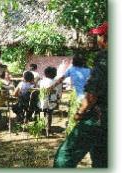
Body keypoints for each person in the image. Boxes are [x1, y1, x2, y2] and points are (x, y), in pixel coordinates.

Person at [53, 22, 108, 168]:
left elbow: (91, 95)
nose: (97, 39)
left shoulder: (104, 59)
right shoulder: (89, 69)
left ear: (105, 38)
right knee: (103, 157)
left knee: (65, 156)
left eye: (99, 36)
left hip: (96, 114)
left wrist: (79, 113)